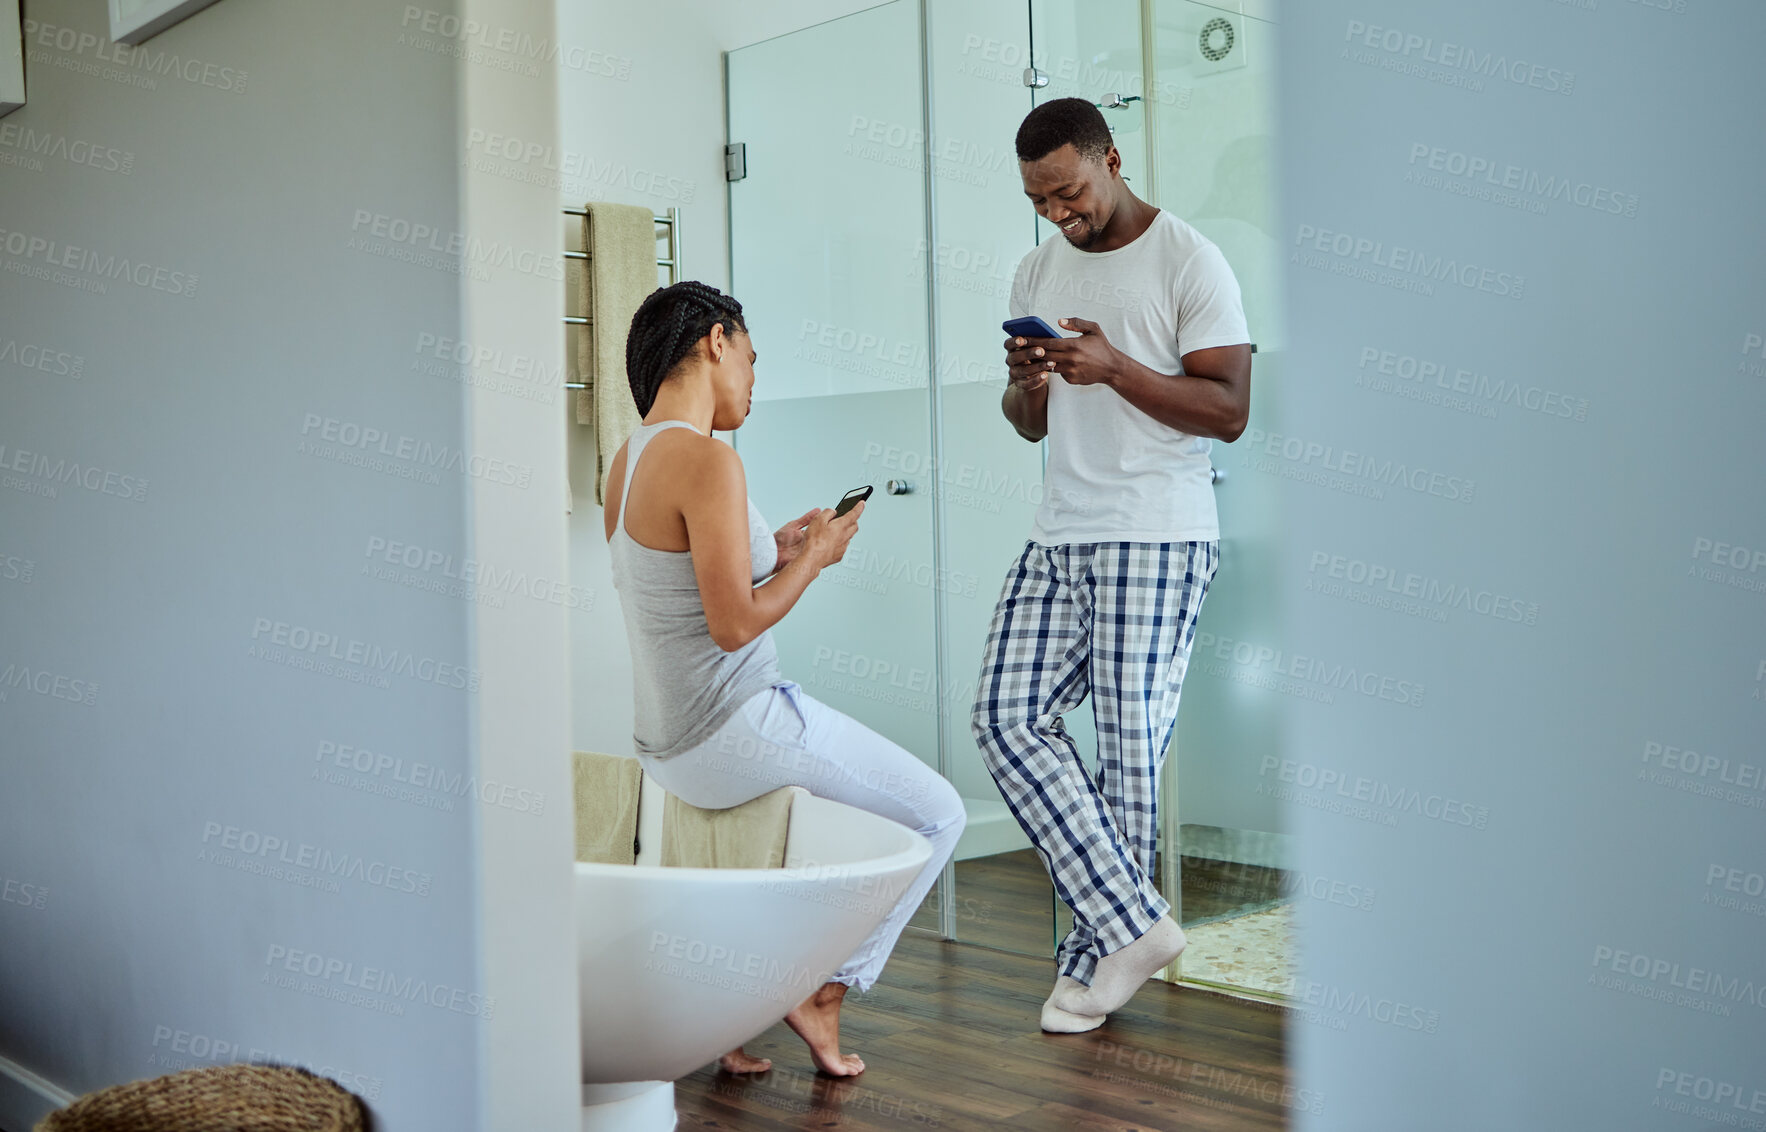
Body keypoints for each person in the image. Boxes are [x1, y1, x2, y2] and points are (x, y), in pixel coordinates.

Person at [604, 281, 966, 1076]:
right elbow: (734, 623)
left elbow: (687, 586)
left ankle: (734, 1017)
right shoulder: (707, 461)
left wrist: (778, 544)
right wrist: (819, 559)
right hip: (735, 725)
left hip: (665, 746)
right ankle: (824, 994)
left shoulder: (628, 461)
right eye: (754, 359)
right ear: (716, 341)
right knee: (940, 814)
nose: (755, 381)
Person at [969, 98, 1253, 1033]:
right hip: (1062, 531)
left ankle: (1097, 963)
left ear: (1111, 159)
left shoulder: (1190, 259)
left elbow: (1229, 409)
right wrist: (1028, 386)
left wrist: (1115, 367)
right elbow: (1032, 425)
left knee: (1131, 756)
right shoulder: (1037, 265)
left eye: (1070, 192)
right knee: (1006, 720)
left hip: (1159, 531)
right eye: (1039, 200)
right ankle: (1134, 927)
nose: (1058, 214)